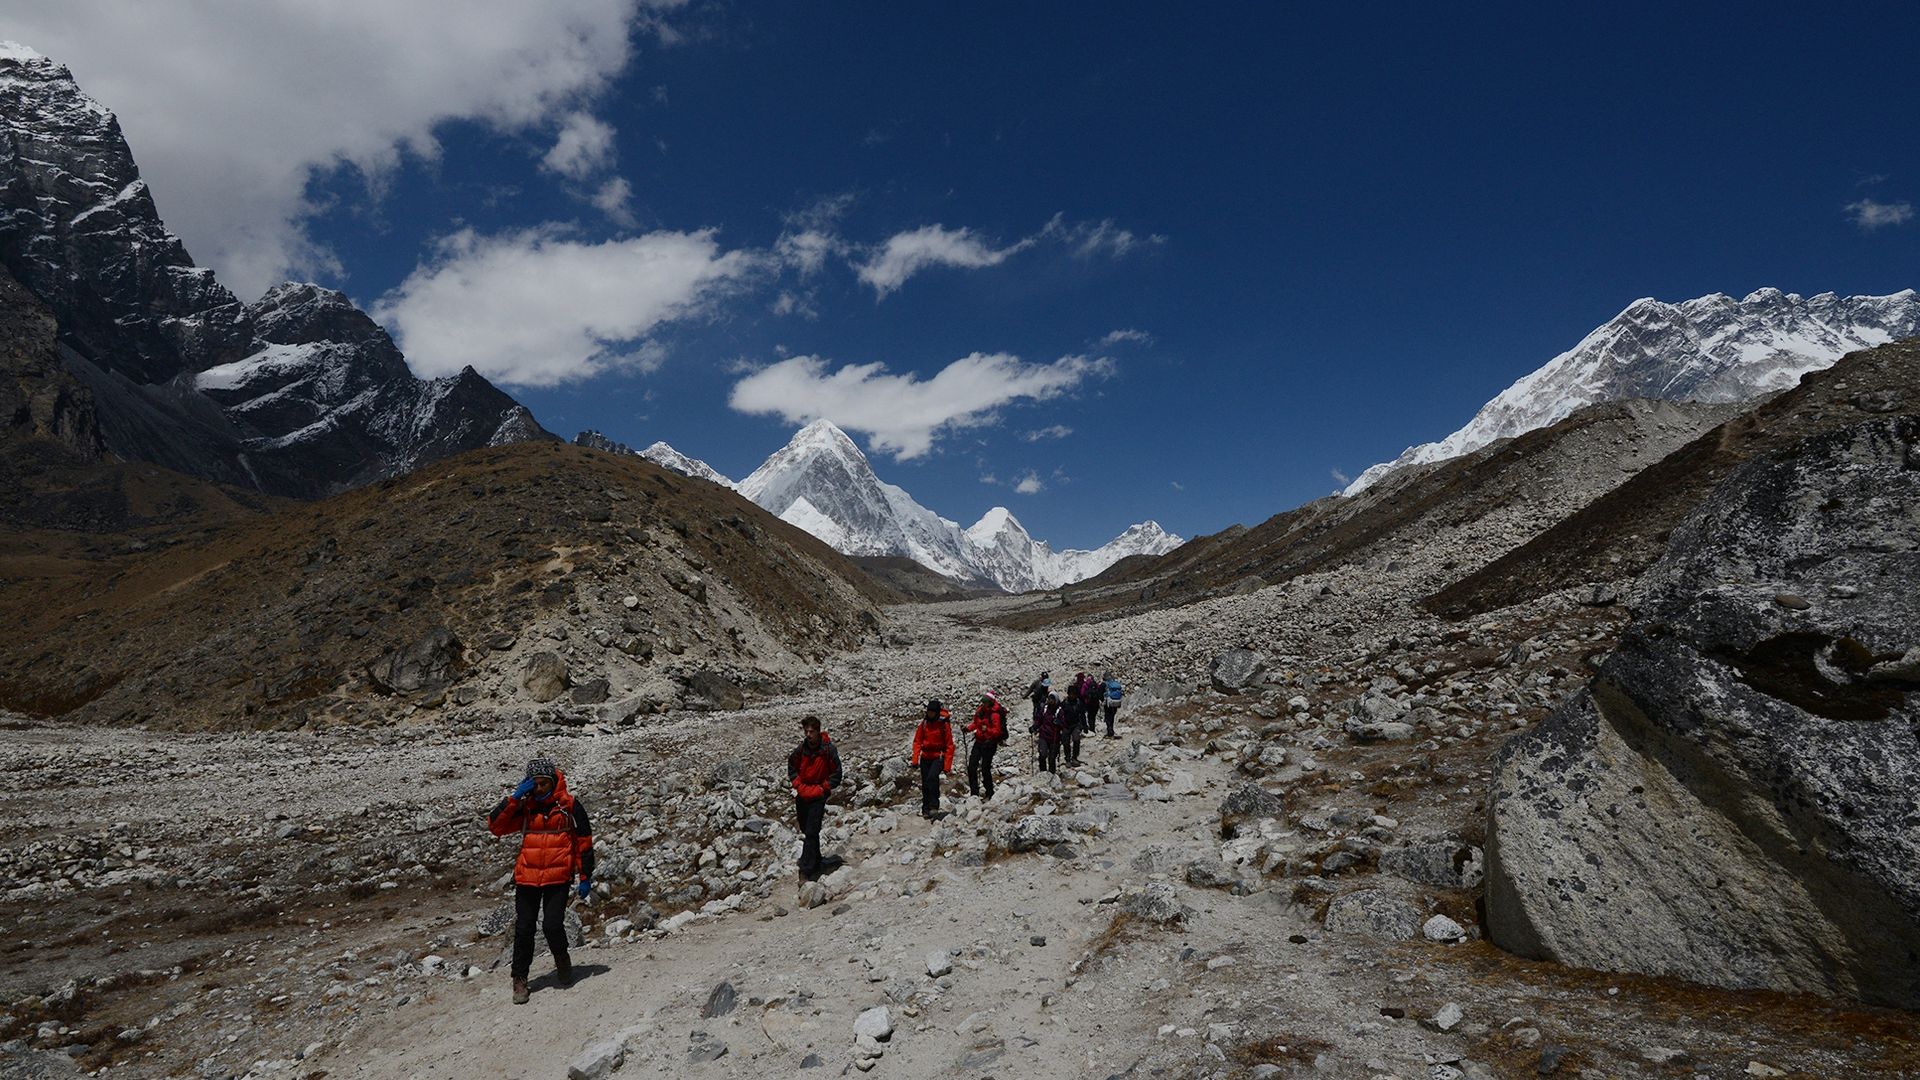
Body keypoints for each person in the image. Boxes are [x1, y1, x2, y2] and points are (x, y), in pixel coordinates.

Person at [487, 757, 595, 1005]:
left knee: (552, 925)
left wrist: (585, 876)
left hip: (558, 878)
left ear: (553, 782)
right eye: (534, 784)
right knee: (524, 927)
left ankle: (562, 959)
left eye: (544, 783)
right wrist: (514, 798)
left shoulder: (570, 806)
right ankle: (519, 978)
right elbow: (496, 826)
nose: (539, 788)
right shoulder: (524, 807)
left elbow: (584, 843)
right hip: (527, 877)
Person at [788, 715, 843, 881]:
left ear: (818, 731)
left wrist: (823, 787)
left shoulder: (828, 750)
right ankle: (817, 860)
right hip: (803, 794)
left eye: (811, 731)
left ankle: (806, 870)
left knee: (811, 831)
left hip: (818, 795)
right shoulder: (800, 750)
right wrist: (798, 784)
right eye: (806, 731)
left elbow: (837, 773)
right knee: (807, 830)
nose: (808, 734)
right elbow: (792, 768)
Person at [911, 699, 955, 819]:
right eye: (928, 711)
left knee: (932, 778)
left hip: (938, 757)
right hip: (925, 757)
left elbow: (950, 745)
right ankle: (926, 809)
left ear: (936, 712)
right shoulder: (924, 724)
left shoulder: (943, 725)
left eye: (932, 712)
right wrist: (915, 760)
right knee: (925, 783)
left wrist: (947, 766)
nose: (929, 714)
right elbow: (917, 741)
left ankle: (934, 806)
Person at [965, 692, 1008, 799]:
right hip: (979, 741)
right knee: (971, 767)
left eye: (985, 703)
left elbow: (997, 732)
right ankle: (974, 793)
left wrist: (987, 729)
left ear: (990, 703)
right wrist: (968, 728)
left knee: (985, 768)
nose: (983, 704)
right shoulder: (980, 711)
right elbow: (976, 724)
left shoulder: (995, 714)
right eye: (982, 702)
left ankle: (989, 792)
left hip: (990, 743)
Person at [1032, 693, 1063, 773]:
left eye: (1052, 699)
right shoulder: (1045, 709)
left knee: (1052, 757)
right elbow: (1039, 720)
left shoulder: (1059, 710)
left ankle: (1052, 774)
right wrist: (1034, 727)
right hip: (1044, 735)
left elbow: (1064, 723)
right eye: (1049, 699)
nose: (1050, 701)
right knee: (1042, 754)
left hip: (1054, 737)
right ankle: (1043, 772)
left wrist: (1059, 723)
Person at [1059, 690, 1085, 767]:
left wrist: (1084, 725)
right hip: (1066, 725)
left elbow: (1082, 714)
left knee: (1076, 739)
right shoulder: (1064, 703)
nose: (1072, 696)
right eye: (1071, 694)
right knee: (1066, 742)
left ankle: (1074, 757)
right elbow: (1060, 714)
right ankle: (1067, 758)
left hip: (1076, 724)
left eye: (1074, 694)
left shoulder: (1079, 703)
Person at [1102, 671, 1124, 737]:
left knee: (1107, 717)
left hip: (1108, 703)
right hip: (1116, 702)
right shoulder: (1115, 683)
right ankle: (1111, 729)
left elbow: (1100, 693)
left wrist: (1102, 700)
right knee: (1112, 717)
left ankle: (1110, 731)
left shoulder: (1104, 684)